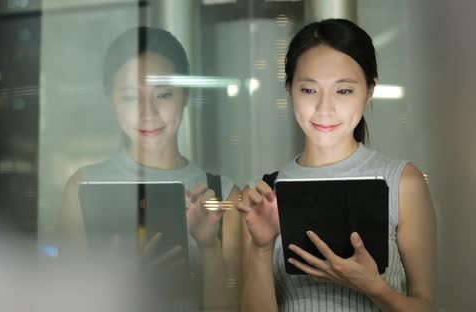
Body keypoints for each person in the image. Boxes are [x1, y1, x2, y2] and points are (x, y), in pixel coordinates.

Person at [237, 19, 437, 311]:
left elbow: (428, 306)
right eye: (309, 90)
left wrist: (374, 288)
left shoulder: (403, 182)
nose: (324, 108)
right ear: (290, 88)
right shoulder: (264, 194)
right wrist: (261, 247)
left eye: (343, 91)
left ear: (370, 91)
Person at [60, 26, 241, 311]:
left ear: (185, 96)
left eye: (164, 94)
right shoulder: (84, 187)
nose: (148, 113)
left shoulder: (222, 193)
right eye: (131, 97)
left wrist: (209, 248)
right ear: (112, 101)